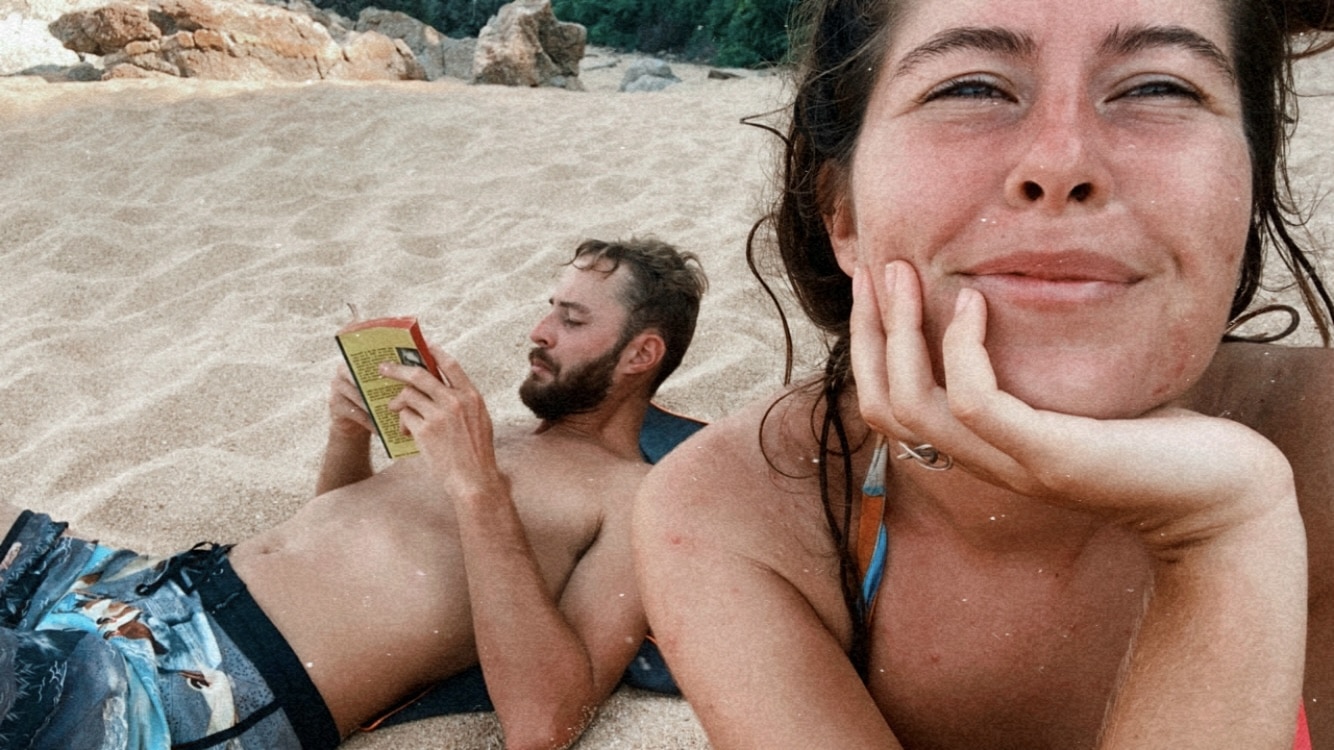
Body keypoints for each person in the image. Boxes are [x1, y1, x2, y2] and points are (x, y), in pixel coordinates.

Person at [634, 1, 1334, 749]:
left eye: (1159, 88)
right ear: (843, 214)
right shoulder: (745, 511)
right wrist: (1216, 537)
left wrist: (1226, 524)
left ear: (1249, 187)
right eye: (969, 88)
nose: (1062, 165)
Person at [0, 236, 707, 750]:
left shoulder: (632, 499)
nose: (538, 331)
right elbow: (344, 536)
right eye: (549, 308)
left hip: (203, 679)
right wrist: (348, 435)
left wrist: (477, 485)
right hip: (149, 588)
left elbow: (545, 723)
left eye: (573, 321)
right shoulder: (505, 432)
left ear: (640, 354)